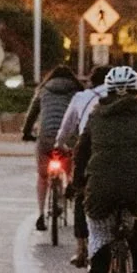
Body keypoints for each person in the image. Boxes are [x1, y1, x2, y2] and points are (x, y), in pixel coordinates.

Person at [74, 67, 137, 273]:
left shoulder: (96, 115)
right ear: (136, 91)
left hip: (101, 182)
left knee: (98, 233)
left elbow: (82, 151)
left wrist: (77, 182)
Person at [56, 63, 111, 268]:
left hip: (89, 151)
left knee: (81, 195)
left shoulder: (82, 97)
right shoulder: (130, 99)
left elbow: (67, 126)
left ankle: (82, 249)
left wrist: (59, 144)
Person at [21, 64, 80, 228]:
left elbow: (32, 114)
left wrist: (26, 133)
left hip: (45, 136)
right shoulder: (76, 91)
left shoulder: (43, 90)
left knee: (42, 176)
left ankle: (40, 215)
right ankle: (70, 184)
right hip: (68, 138)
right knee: (71, 167)